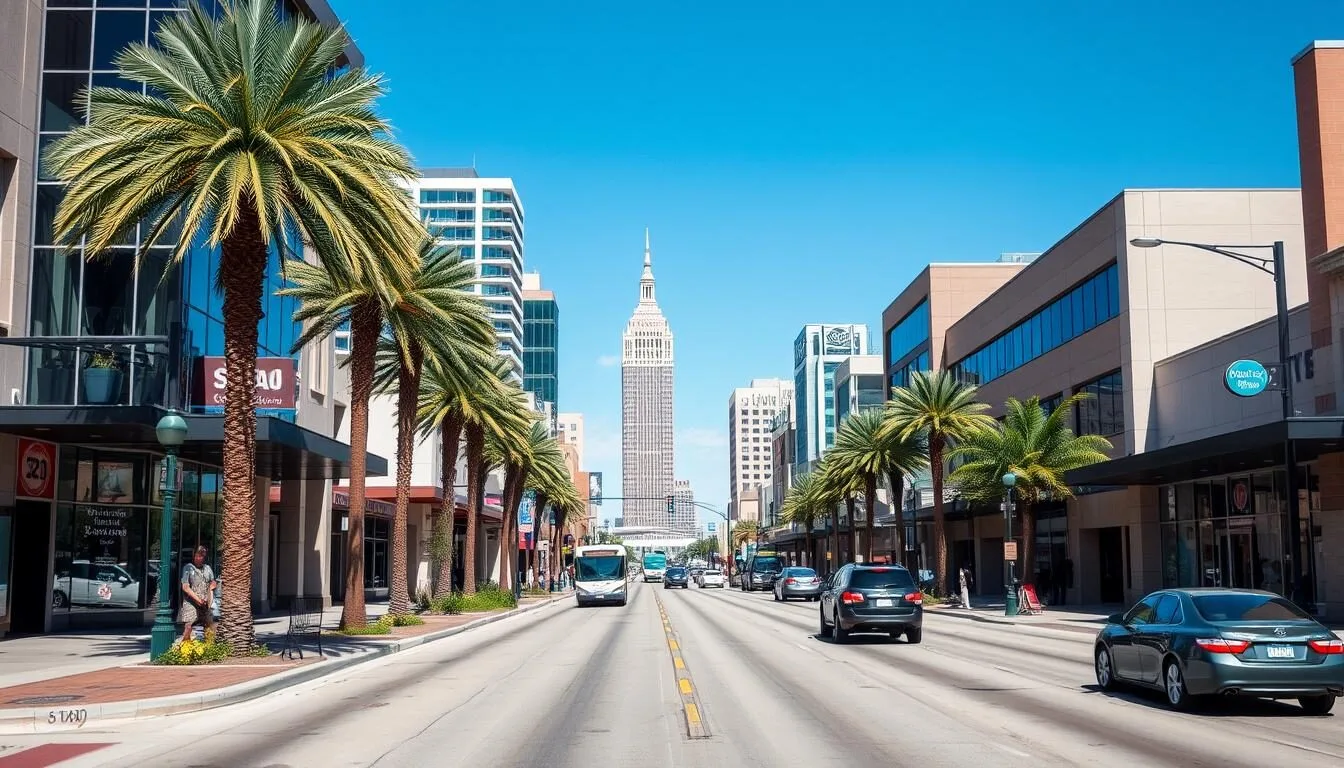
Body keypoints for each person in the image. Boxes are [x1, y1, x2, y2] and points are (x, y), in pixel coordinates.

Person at [180, 546, 217, 643]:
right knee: (189, 626)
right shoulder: (188, 568)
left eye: (202, 556)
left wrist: (210, 595)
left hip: (205, 603)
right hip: (191, 602)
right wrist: (197, 600)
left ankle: (209, 647)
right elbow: (185, 587)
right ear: (194, 556)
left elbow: (212, 583)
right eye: (198, 556)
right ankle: (185, 648)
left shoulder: (207, 568)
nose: (199, 558)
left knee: (209, 625)